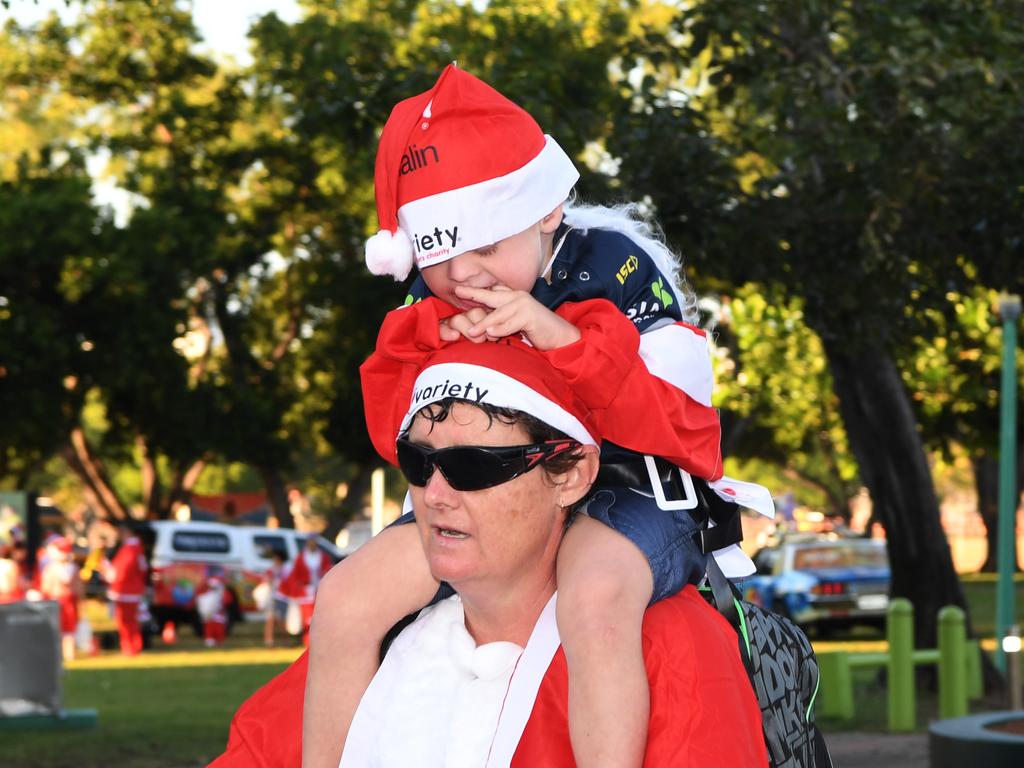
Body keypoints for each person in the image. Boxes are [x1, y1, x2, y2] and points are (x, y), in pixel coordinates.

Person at [304, 64, 773, 768]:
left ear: (547, 212)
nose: (463, 277)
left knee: (595, 597)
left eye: (487, 247)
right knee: (343, 596)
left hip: (634, 485)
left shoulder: (619, 272)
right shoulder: (424, 302)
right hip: (487, 488)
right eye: (438, 256)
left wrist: (563, 345)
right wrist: (424, 345)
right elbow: (391, 437)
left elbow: (688, 435)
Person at [212, 307, 767, 766]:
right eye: (418, 460)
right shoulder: (362, 650)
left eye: (474, 465)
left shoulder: (669, 645)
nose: (434, 494)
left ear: (570, 475)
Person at [278, 535, 332, 646]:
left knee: (318, 617)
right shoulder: (301, 558)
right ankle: (307, 641)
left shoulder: (323, 557)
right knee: (307, 618)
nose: (312, 544)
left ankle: (316, 640)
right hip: (304, 592)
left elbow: (328, 570)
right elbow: (295, 575)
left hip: (319, 591)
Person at [104, 522, 148, 656]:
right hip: (132, 590)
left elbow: (122, 571)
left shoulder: (130, 549)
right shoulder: (136, 548)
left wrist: (108, 572)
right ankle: (133, 646)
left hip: (125, 590)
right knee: (131, 620)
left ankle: (130, 647)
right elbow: (143, 568)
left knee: (125, 621)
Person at [40, 537, 84, 661]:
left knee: (61, 628)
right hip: (66, 601)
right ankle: (68, 654)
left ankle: (63, 653)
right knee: (67, 630)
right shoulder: (73, 568)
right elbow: (79, 589)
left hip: (59, 601)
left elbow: (46, 587)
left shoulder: (52, 568)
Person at [262, 550, 288, 647]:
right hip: (272, 597)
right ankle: (269, 641)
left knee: (282, 620)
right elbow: (266, 581)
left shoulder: (286, 570)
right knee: (270, 619)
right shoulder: (271, 570)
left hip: (282, 597)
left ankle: (285, 640)